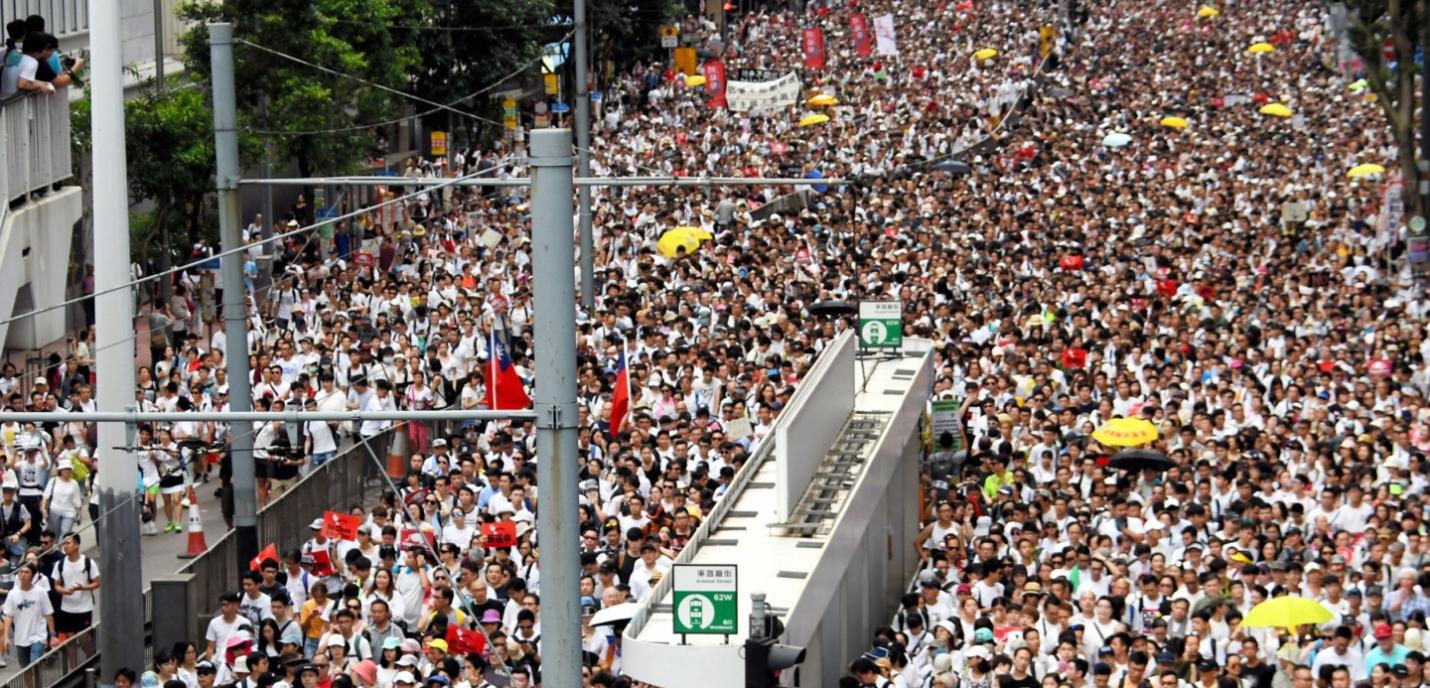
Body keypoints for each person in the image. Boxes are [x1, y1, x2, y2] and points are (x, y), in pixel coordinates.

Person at [0, 563, 55, 667]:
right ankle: (33, 684)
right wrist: (6, 637)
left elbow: (48, 614)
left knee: (33, 667)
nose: (23, 574)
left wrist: (52, 635)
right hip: (21, 638)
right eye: (21, 572)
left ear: (32, 575)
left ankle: (35, 683)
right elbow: (9, 616)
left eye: (26, 572)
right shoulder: (12, 594)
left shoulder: (40, 592)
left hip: (38, 637)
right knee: (25, 669)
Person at [48, 531, 97, 641]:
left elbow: (97, 583)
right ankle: (74, 659)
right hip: (67, 608)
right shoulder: (59, 564)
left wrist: (82, 588)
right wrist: (65, 591)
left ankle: (91, 658)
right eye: (64, 543)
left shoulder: (88, 562)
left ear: (76, 545)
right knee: (70, 642)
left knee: (85, 640)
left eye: (68, 543)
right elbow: (56, 585)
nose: (65, 546)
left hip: (84, 608)